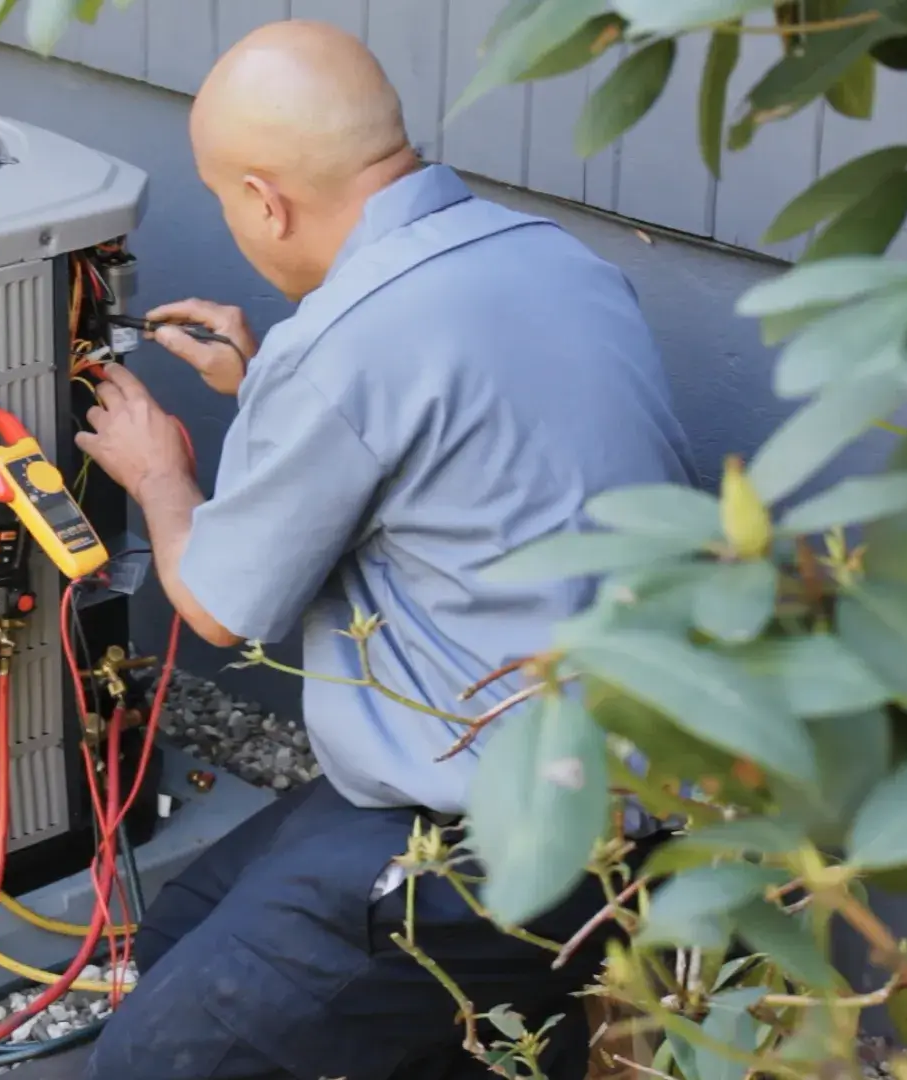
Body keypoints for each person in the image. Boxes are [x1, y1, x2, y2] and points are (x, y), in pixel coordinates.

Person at [57, 19, 698, 1080]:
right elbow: (449, 442)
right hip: (644, 794)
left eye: (228, 200)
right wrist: (268, 385)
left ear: (264, 199)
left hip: (499, 844)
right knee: (177, 937)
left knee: (142, 1067)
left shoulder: (342, 349)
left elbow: (218, 607)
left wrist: (161, 477)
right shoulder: (551, 257)